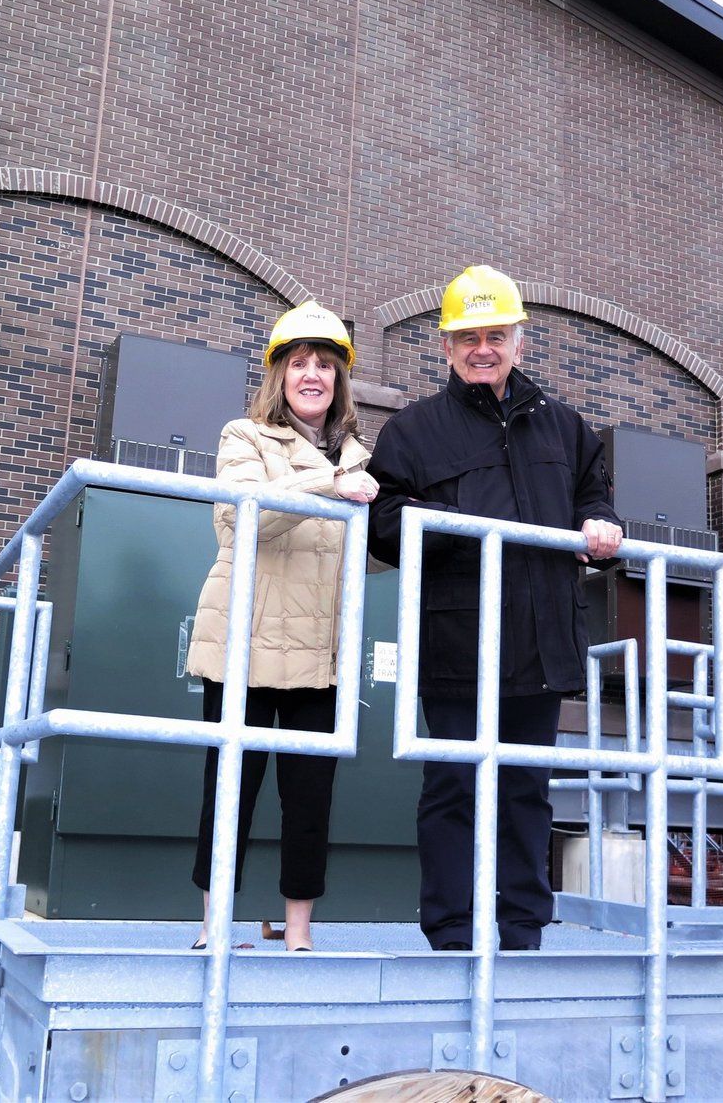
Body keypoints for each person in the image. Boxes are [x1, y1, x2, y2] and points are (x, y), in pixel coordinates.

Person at [366, 265, 623, 951]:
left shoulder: (567, 431)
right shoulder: (413, 432)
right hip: (457, 643)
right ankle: (451, 930)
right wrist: (448, 522)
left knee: (525, 790)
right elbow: (382, 524)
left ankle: (521, 931)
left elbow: (595, 501)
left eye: (496, 335)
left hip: (541, 647)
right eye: (468, 336)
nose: (484, 347)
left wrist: (601, 525)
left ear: (519, 342)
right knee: (452, 786)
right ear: (446, 347)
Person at [186, 301, 379, 952]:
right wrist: (331, 485)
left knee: (309, 799)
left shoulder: (356, 455)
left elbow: (366, 555)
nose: (313, 374)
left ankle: (298, 933)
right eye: (299, 362)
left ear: (340, 380)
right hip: (242, 639)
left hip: (317, 649)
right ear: (279, 374)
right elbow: (249, 519)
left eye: (325, 364)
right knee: (229, 791)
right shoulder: (244, 437)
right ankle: (214, 927)